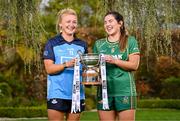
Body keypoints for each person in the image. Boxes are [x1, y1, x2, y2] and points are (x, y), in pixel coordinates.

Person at [93, 11, 140, 121]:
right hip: (104, 92)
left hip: (125, 91)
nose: (107, 24)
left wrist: (115, 61)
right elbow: (96, 68)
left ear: (120, 23)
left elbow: (134, 65)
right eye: (105, 22)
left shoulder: (130, 41)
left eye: (110, 21)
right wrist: (91, 76)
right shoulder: (99, 44)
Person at [43, 8, 88, 121]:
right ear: (60, 25)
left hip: (77, 94)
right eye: (68, 21)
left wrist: (91, 77)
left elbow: (85, 69)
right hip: (57, 93)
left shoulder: (82, 45)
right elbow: (49, 69)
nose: (71, 25)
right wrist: (66, 64)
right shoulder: (52, 43)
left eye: (74, 22)